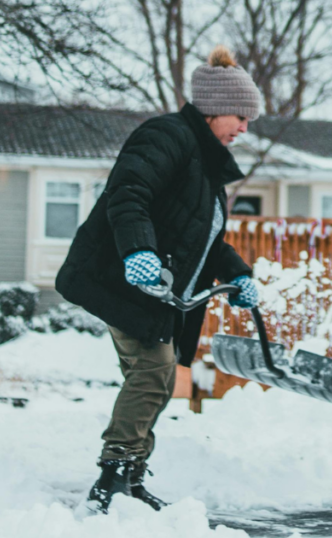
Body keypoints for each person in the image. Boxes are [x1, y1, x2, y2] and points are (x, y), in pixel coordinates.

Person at [55, 45, 262, 513]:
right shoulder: (166, 137)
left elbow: (203, 240)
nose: (245, 129)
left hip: (157, 290)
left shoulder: (204, 166)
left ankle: (128, 474)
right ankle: (112, 477)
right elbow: (128, 195)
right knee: (153, 373)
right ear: (212, 109)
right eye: (240, 117)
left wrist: (238, 275)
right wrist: (139, 252)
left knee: (156, 377)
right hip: (122, 278)